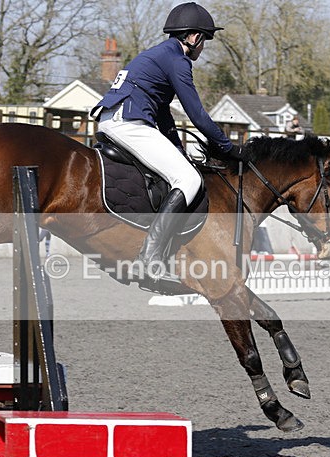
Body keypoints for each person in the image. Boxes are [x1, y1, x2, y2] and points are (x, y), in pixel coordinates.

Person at [92, 2, 247, 282]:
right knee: (189, 180)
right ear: (193, 37)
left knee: (180, 167)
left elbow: (163, 115)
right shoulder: (177, 60)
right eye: (204, 40)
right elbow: (197, 114)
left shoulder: (160, 55)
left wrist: (178, 149)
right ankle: (150, 256)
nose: (203, 48)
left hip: (114, 119)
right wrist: (228, 148)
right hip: (129, 122)